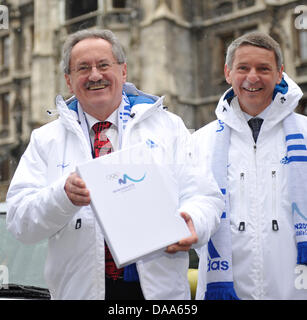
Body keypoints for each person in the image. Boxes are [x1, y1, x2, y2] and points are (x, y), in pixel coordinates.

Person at [6, 29, 223, 300]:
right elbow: (18, 223)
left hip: (159, 295)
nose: (95, 75)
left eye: (104, 65)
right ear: (69, 81)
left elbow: (205, 196)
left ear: (123, 72)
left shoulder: (168, 127)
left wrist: (194, 221)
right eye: (83, 68)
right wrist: (62, 196)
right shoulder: (45, 139)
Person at [193, 32, 307, 300]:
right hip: (227, 287)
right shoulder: (199, 141)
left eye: (263, 69)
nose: (252, 77)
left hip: (293, 287)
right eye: (243, 68)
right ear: (228, 73)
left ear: (280, 74)